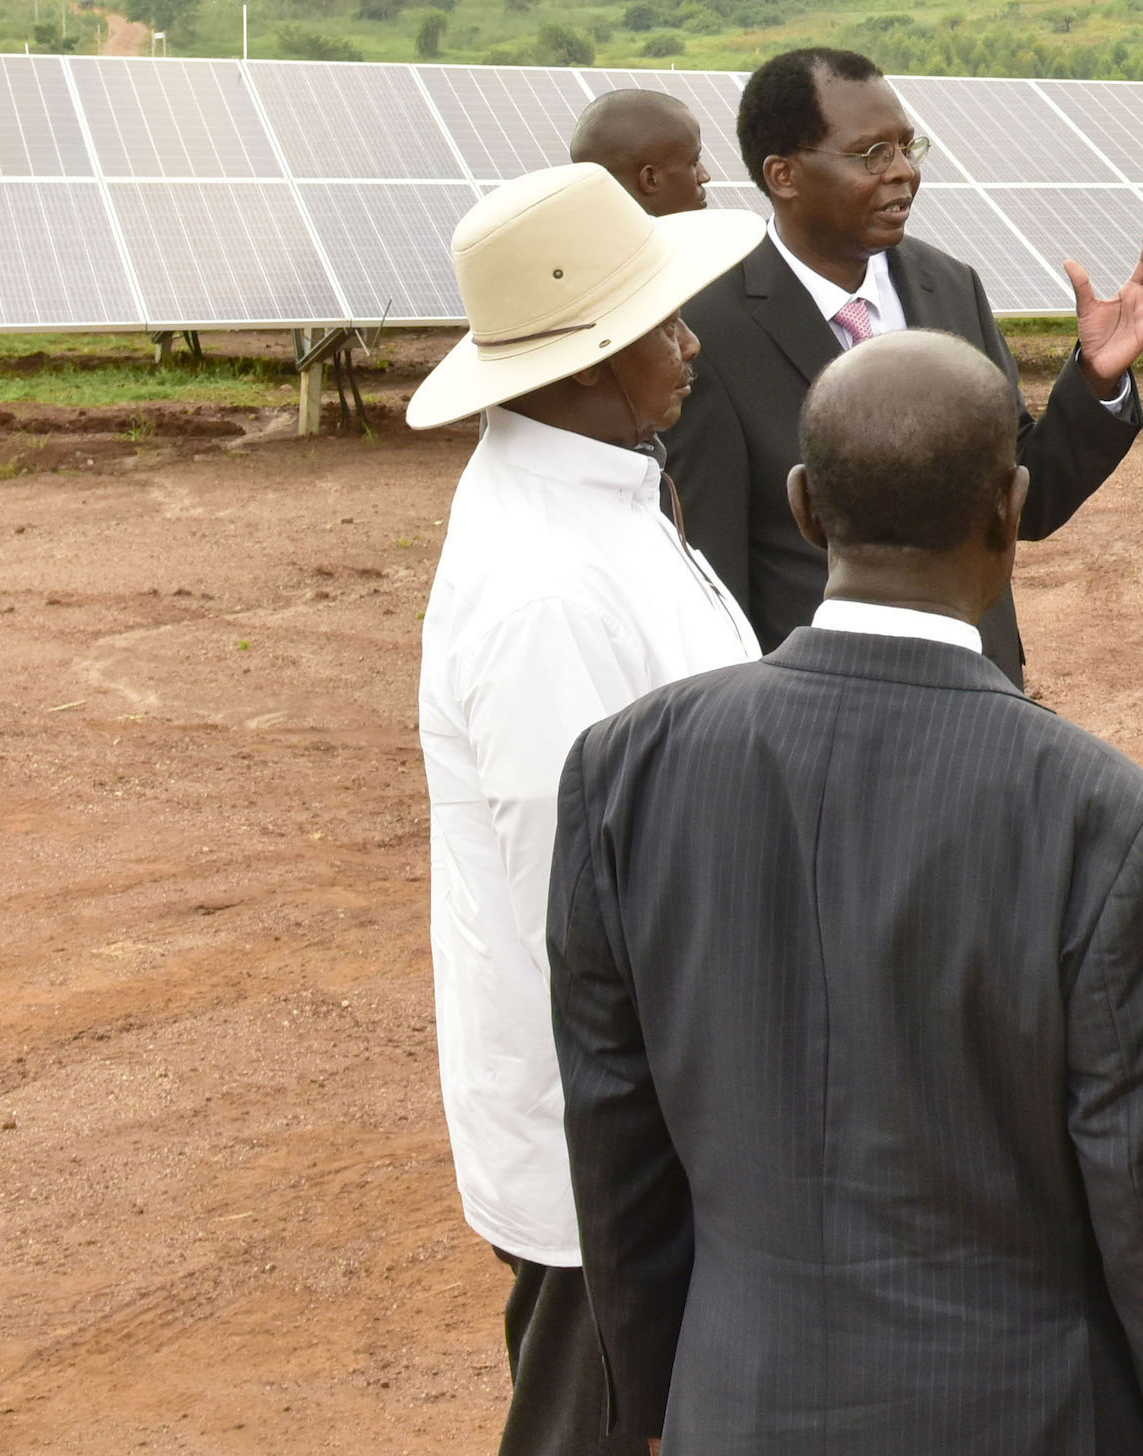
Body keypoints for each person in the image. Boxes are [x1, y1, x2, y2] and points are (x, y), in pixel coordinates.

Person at [550, 330, 1143, 1456]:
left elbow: (615, 1148)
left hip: (737, 1404)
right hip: (1021, 1417)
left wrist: (657, 1405)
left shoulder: (623, 771)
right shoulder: (1105, 822)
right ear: (1010, 505)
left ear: (802, 508)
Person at [407, 160, 774, 1456]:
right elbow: (592, 919)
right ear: (587, 363)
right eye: (661, 326)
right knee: (595, 1416)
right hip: (618, 1144)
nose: (689, 345)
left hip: (665, 1111)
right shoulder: (544, 591)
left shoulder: (601, 495)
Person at [667, 47, 1143, 682]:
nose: (904, 172)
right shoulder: (707, 331)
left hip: (978, 692)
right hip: (815, 716)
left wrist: (1096, 380)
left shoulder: (949, 286)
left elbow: (1026, 495)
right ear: (783, 175)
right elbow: (711, 571)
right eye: (871, 154)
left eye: (908, 147)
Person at [568, 88, 715, 219]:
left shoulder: (562, 241)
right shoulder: (682, 248)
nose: (705, 176)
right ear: (650, 179)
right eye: (694, 163)